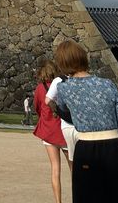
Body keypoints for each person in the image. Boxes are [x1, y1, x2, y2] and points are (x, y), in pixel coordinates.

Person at [54, 39, 118, 203]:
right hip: (115, 147)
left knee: (86, 196)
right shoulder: (108, 84)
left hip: (86, 148)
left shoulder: (64, 88)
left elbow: (62, 109)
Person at [32, 59, 68, 203]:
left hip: (48, 131)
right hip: (63, 131)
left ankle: (58, 201)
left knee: (55, 169)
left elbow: (37, 107)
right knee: (74, 168)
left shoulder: (40, 89)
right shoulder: (62, 86)